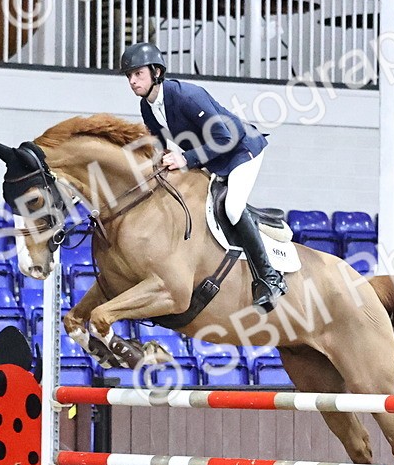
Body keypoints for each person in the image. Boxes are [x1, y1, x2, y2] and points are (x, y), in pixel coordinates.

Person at [119, 42, 287, 313]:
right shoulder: (147, 107)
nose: (132, 80)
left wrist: (186, 159)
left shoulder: (186, 96)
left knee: (232, 207)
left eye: (138, 74)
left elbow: (226, 137)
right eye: (129, 76)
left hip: (242, 150)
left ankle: (270, 279)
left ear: (156, 72)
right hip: (212, 157)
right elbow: (163, 145)